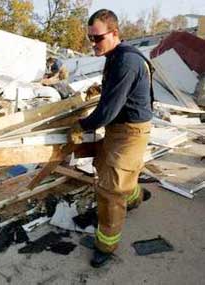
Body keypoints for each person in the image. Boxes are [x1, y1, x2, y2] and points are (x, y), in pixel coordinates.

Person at [68, 9, 154, 268]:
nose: (93, 44)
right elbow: (113, 97)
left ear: (115, 33)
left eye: (98, 38)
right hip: (119, 128)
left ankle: (105, 245)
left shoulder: (126, 61)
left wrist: (80, 125)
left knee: (109, 189)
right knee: (102, 166)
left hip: (130, 132)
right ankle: (135, 196)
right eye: (90, 38)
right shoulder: (115, 56)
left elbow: (107, 111)